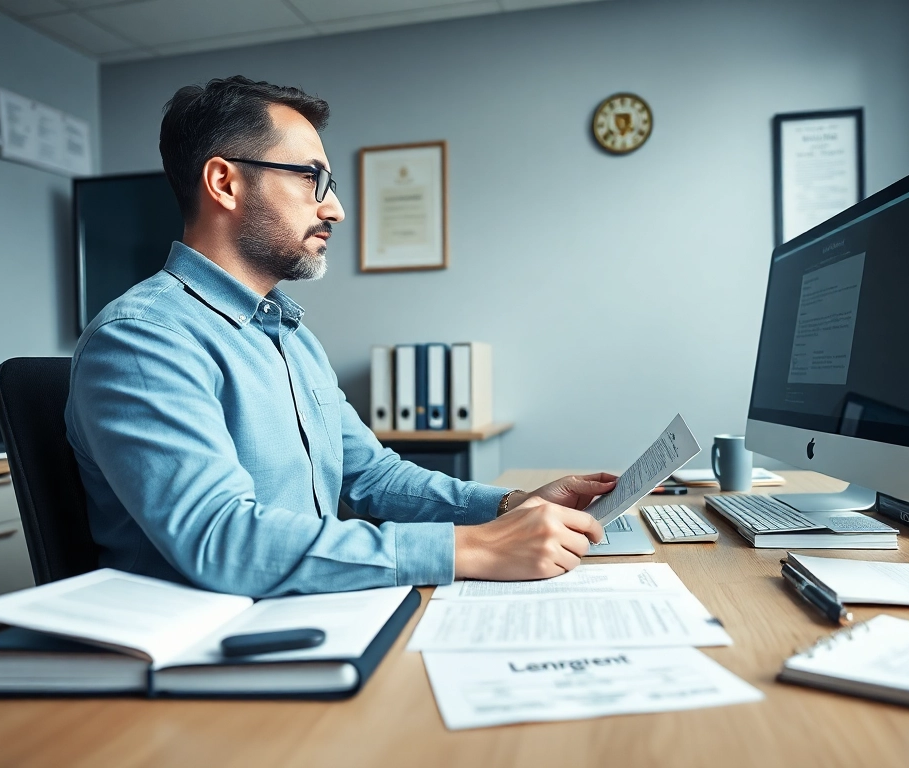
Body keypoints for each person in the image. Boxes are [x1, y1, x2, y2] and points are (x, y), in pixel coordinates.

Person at [66, 76, 613, 597]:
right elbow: (221, 541)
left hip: (314, 607)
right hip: (214, 638)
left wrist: (510, 507)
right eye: (311, 178)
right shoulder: (143, 340)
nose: (335, 209)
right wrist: (473, 548)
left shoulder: (290, 335)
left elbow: (371, 475)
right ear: (224, 183)